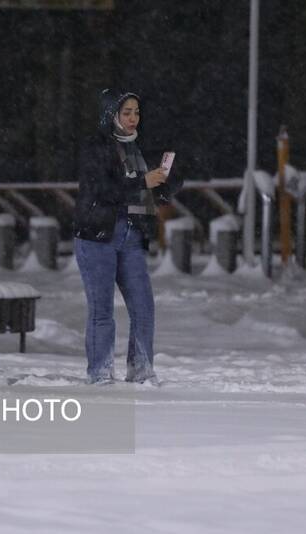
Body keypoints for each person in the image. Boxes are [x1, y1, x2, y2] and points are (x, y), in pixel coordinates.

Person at [73, 88, 182, 384]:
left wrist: (166, 183)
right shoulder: (96, 146)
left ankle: (141, 370)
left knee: (143, 307)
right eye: (126, 112)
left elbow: (149, 190)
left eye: (136, 112)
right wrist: (143, 181)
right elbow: (103, 190)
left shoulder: (140, 147)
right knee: (102, 311)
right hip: (97, 235)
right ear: (112, 115)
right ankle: (100, 373)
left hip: (132, 235)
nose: (133, 118)